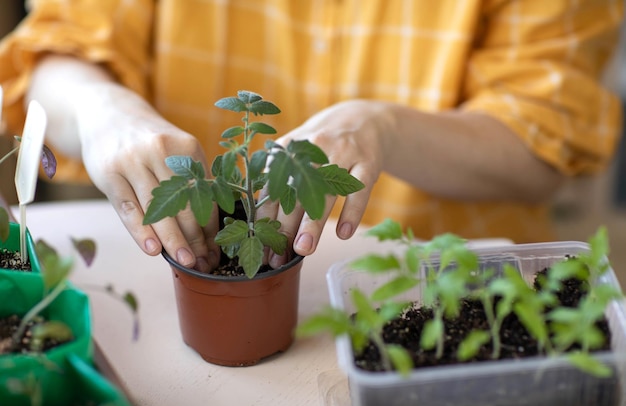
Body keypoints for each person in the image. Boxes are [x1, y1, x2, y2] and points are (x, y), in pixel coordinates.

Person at [0, 0, 623, 274]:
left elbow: (545, 145)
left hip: (420, 276)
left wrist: (385, 127)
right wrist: (103, 108)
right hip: (183, 282)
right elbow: (49, 63)